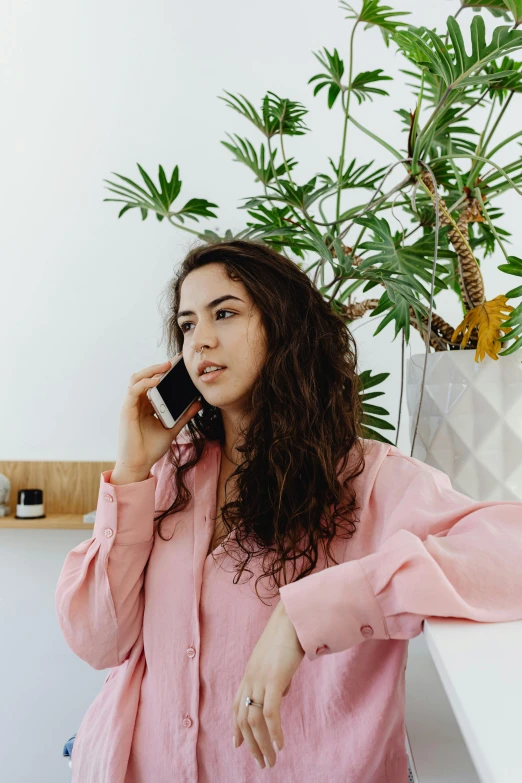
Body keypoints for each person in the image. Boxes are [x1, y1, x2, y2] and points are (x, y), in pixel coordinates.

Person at [55, 239, 522, 783]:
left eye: (224, 313)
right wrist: (132, 470)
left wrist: (303, 618)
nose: (200, 340)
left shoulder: (366, 478)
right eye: (186, 325)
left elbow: (508, 549)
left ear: (283, 327)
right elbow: (97, 642)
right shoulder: (166, 477)